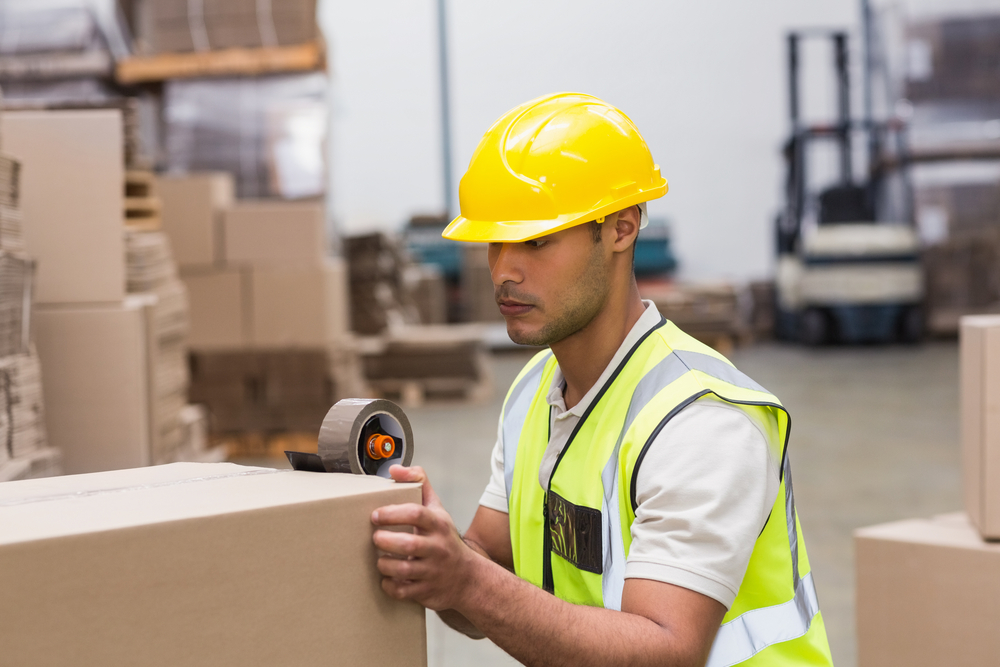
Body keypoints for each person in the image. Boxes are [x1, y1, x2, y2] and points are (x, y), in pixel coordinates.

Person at [370, 92, 834, 667]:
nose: (504, 270)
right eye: (495, 242)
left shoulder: (702, 420)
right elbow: (481, 577)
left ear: (622, 229)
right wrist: (432, 554)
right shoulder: (534, 392)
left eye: (536, 241)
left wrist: (466, 580)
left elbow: (668, 649)